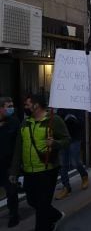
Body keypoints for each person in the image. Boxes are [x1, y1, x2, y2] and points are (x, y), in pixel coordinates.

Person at [10, 95, 70, 231]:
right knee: (32, 201)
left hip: (47, 170)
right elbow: (18, 148)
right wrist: (14, 171)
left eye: (27, 105)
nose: (25, 108)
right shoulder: (25, 123)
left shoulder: (54, 120)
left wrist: (55, 143)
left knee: (42, 208)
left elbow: (67, 140)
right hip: (29, 171)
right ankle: (55, 216)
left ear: (36, 105)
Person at [55, 109, 89, 200]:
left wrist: (74, 120)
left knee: (75, 161)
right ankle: (66, 187)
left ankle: (84, 175)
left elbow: (82, 123)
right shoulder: (61, 108)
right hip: (62, 138)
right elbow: (57, 121)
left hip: (75, 137)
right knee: (62, 164)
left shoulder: (78, 107)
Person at [0, 97, 20, 228]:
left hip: (9, 165)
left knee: (11, 192)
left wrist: (16, 166)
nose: (11, 108)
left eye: (12, 105)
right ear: (1, 108)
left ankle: (14, 215)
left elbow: (18, 145)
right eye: (9, 106)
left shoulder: (14, 122)